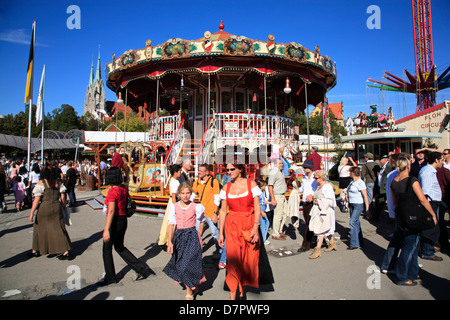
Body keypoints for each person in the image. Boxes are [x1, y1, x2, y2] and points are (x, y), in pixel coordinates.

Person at [218, 162, 274, 300]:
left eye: (232, 169)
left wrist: (256, 227)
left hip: (249, 224)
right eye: (227, 170)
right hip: (232, 226)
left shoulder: (252, 184)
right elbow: (223, 211)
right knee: (233, 259)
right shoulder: (226, 187)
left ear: (240, 170)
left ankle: (242, 286)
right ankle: (233, 293)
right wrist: (220, 233)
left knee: (248, 259)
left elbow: (256, 207)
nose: (229, 172)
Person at [99, 167, 152, 286]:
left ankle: (110, 277)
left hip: (115, 220)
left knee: (107, 249)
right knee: (119, 247)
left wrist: (106, 229)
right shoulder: (123, 188)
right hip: (123, 220)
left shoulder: (113, 191)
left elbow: (111, 211)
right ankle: (140, 268)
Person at [390, 155, 437, 286]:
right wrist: (432, 214)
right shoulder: (412, 180)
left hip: (401, 216)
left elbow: (394, 202)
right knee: (409, 247)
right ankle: (401, 276)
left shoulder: (394, 181)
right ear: (408, 166)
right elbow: (422, 199)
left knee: (413, 246)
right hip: (413, 217)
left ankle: (412, 272)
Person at [163, 182, 206, 300]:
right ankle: (193, 285)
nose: (185, 196)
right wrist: (170, 242)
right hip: (180, 237)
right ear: (179, 194)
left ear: (191, 194)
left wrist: (200, 233)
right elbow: (171, 224)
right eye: (183, 193)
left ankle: (189, 291)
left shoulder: (196, 206)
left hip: (192, 236)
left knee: (187, 265)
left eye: (188, 193)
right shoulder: (174, 206)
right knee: (180, 264)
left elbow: (202, 219)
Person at [28, 167, 72, 259]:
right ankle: (65, 251)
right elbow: (63, 198)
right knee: (59, 228)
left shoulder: (41, 183)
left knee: (39, 228)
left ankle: (36, 250)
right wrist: (63, 206)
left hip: (44, 207)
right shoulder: (58, 182)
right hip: (56, 206)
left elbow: (37, 199)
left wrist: (32, 212)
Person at [418, 151, 444, 261]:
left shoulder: (431, 171)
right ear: (436, 160)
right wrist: (428, 208)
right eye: (442, 160)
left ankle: (427, 249)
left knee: (432, 227)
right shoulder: (427, 172)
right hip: (430, 204)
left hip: (433, 203)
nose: (443, 162)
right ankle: (427, 251)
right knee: (430, 228)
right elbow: (425, 192)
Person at [192, 164, 221, 256]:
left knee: (214, 232)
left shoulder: (214, 182)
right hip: (200, 213)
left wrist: (215, 213)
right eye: (199, 170)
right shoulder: (196, 182)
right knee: (197, 232)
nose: (199, 172)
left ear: (207, 172)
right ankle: (195, 251)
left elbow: (217, 198)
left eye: (201, 170)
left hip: (211, 212)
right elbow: (193, 195)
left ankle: (220, 251)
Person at [308, 170, 336, 259]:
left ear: (321, 178)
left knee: (320, 230)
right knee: (324, 229)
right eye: (314, 178)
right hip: (318, 210)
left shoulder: (327, 187)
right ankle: (332, 243)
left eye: (316, 178)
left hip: (325, 212)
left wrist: (319, 202)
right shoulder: (319, 186)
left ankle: (317, 250)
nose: (315, 179)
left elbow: (332, 201)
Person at [346, 167, 370, 249]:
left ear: (353, 173)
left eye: (350, 172)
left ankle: (354, 243)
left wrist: (367, 208)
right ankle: (360, 240)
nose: (349, 173)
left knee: (352, 222)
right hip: (351, 203)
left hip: (358, 204)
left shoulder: (360, 182)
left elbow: (365, 195)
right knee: (356, 223)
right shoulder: (351, 182)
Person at [158, 164, 182, 247]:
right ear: (175, 172)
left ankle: (168, 240)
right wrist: (176, 207)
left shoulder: (174, 180)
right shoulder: (174, 182)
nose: (180, 173)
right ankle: (169, 241)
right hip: (173, 201)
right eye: (179, 171)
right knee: (172, 222)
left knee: (170, 221)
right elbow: (174, 195)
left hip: (173, 201)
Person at [297, 159, 318, 252]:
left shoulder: (316, 178)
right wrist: (296, 187)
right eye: (303, 167)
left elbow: (320, 189)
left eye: (305, 167)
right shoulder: (304, 178)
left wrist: (313, 196)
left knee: (309, 224)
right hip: (305, 202)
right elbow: (302, 189)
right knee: (309, 223)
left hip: (313, 203)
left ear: (310, 168)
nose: (303, 169)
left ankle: (306, 245)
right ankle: (318, 240)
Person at [268, 158, 288, 240]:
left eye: (282, 163)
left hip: (282, 195)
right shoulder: (274, 172)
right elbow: (270, 186)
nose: (281, 165)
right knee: (278, 215)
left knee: (285, 213)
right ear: (275, 164)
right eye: (280, 163)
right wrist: (273, 198)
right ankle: (275, 233)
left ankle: (280, 230)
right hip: (277, 195)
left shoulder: (279, 172)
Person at [372, 155, 392, 221]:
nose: (380, 162)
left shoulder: (389, 166)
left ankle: (377, 217)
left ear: (384, 160)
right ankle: (376, 217)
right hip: (380, 188)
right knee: (379, 202)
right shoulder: (383, 167)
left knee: (383, 202)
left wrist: (385, 184)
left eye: (381, 160)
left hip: (385, 188)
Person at [257, 179, 270, 245]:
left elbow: (263, 201)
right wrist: (261, 212)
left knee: (266, 223)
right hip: (261, 210)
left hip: (263, 209)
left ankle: (263, 239)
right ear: (261, 186)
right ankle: (263, 240)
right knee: (264, 225)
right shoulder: (259, 193)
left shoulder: (261, 193)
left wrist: (270, 202)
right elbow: (258, 204)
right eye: (264, 185)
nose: (265, 187)